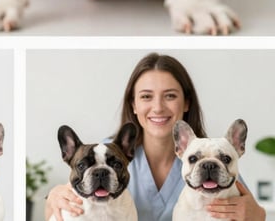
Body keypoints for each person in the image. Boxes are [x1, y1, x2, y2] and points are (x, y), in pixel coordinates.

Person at [44, 53, 265, 221]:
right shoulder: (108, 153)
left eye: (170, 96)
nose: (158, 107)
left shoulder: (213, 154)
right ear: (134, 104)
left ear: (186, 102)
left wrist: (256, 214)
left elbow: (253, 212)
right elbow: (62, 209)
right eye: (146, 96)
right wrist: (53, 197)